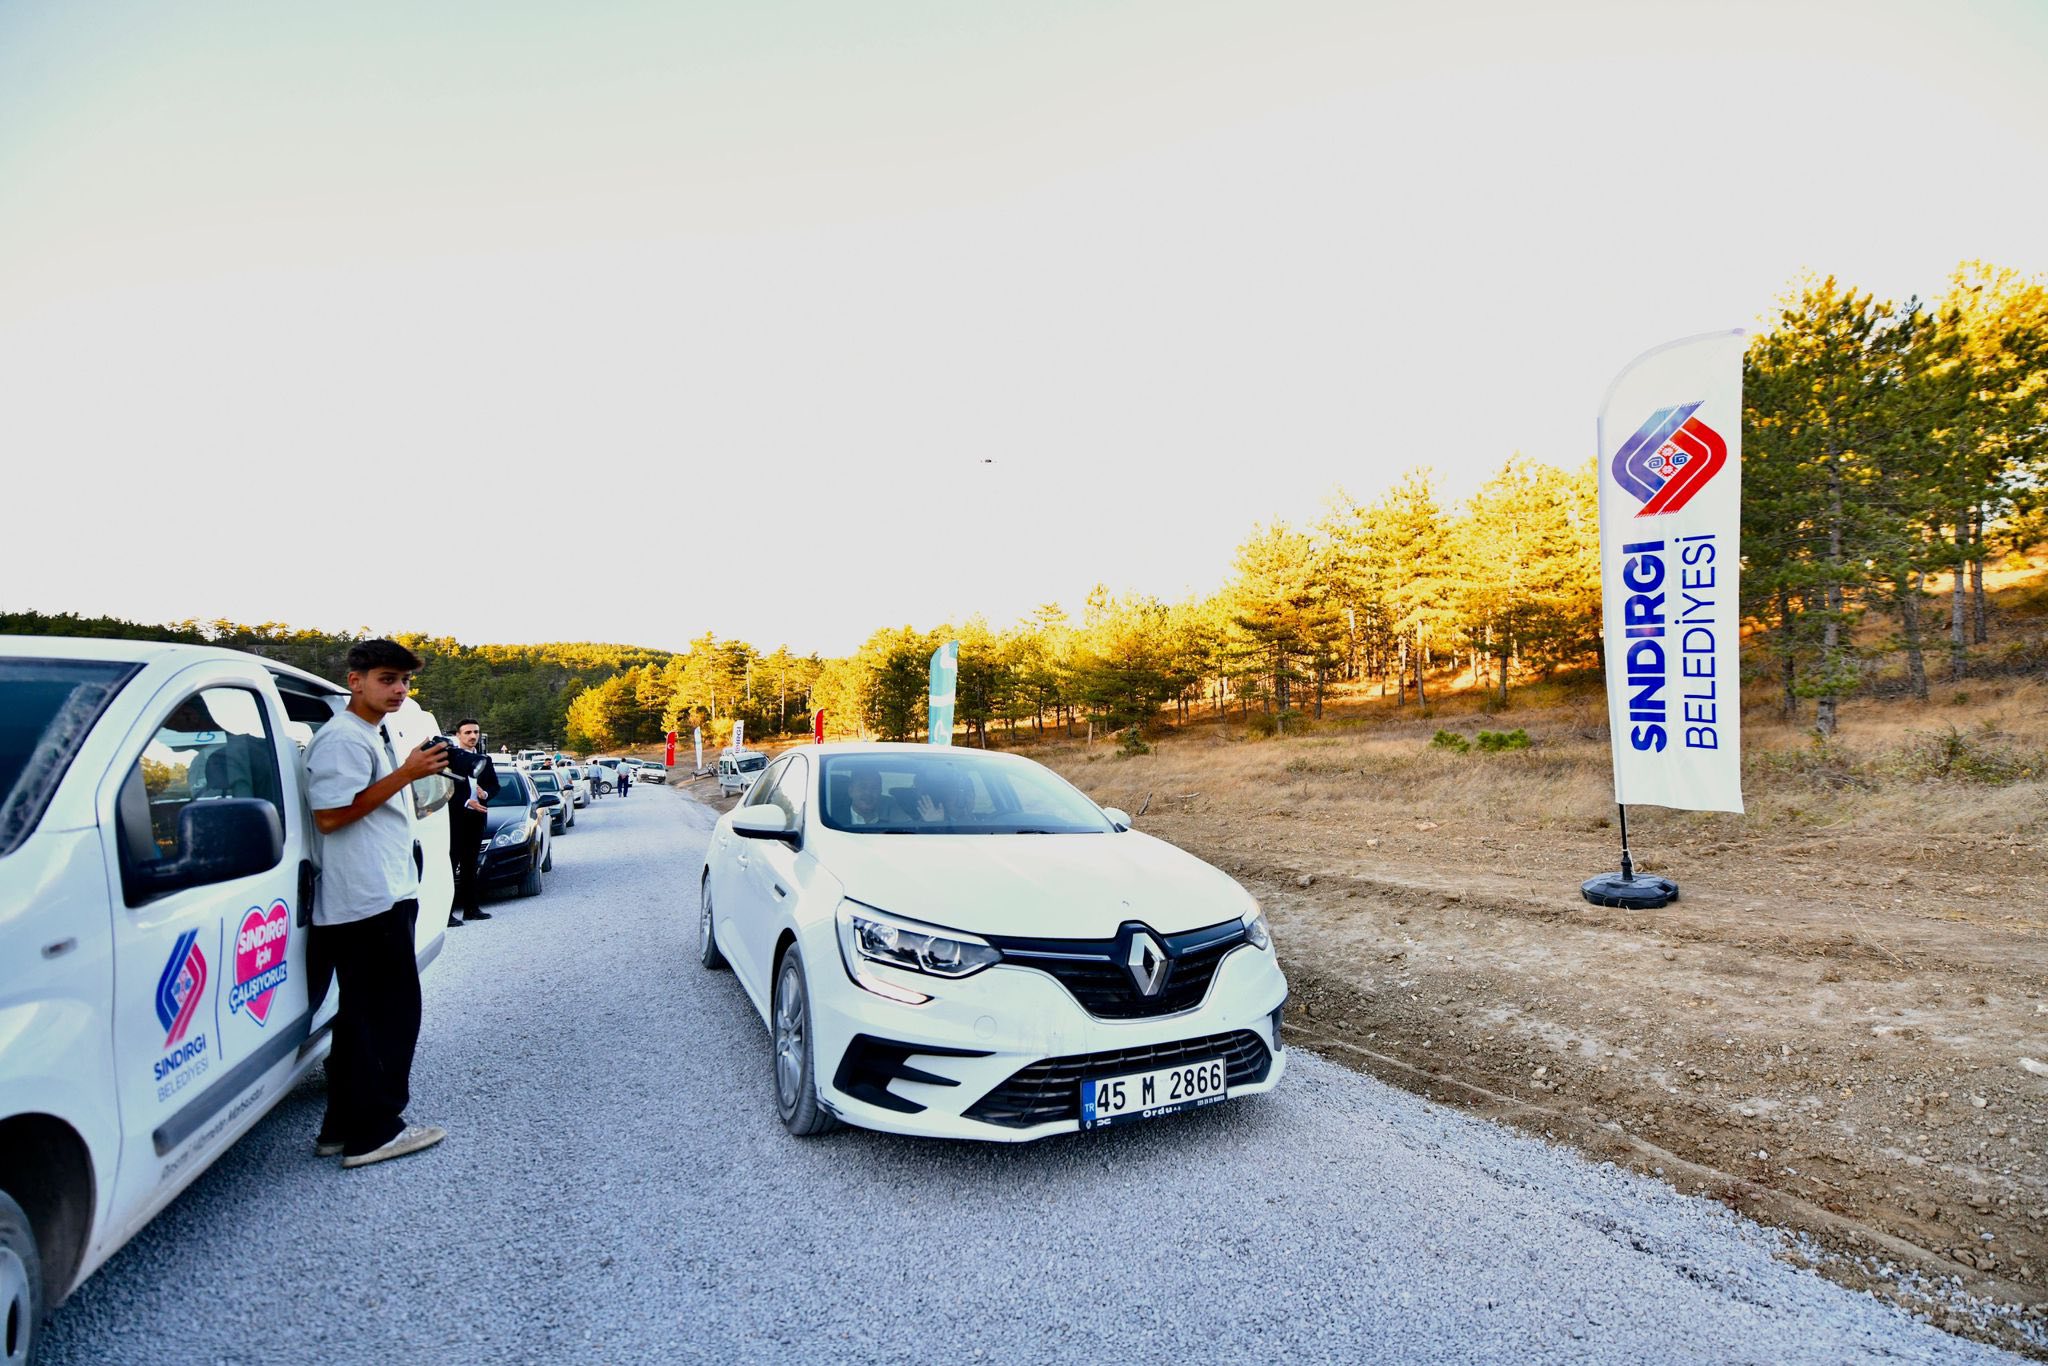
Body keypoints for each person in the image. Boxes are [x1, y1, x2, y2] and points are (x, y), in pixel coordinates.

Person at [302, 639, 450, 1170]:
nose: (398, 690)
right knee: (389, 1016)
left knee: (361, 1017)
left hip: (380, 893)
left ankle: (341, 1130)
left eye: (404, 682)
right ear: (355, 680)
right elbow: (330, 817)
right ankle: (375, 1133)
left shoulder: (370, 733)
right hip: (366, 900)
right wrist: (407, 774)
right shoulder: (343, 738)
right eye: (387, 679)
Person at [445, 719, 499, 927]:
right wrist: (467, 802)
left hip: (477, 818)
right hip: (455, 818)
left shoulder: (485, 759)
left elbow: (494, 785)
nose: (472, 736)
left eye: (475, 732)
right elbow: (443, 788)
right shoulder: (450, 758)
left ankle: (471, 909)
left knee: (470, 864)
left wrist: (485, 794)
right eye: (467, 732)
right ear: (458, 735)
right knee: (451, 865)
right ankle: (447, 913)